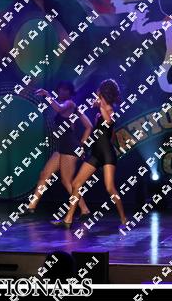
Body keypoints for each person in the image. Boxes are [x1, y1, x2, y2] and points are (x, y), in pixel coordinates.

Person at [51, 79, 127, 231]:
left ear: (103, 92)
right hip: (96, 153)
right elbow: (102, 131)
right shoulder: (100, 111)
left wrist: (101, 107)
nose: (96, 92)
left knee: (110, 187)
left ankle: (124, 220)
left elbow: (108, 122)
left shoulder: (109, 109)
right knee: (76, 184)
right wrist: (84, 147)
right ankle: (68, 219)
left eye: (99, 90)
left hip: (107, 154)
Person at [23, 81, 93, 218]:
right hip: (62, 148)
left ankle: (85, 210)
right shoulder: (73, 107)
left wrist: (47, 95)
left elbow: (60, 109)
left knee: (67, 181)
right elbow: (89, 126)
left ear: (70, 92)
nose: (62, 92)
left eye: (65, 90)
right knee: (45, 174)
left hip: (70, 148)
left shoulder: (70, 104)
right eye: (60, 89)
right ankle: (31, 207)